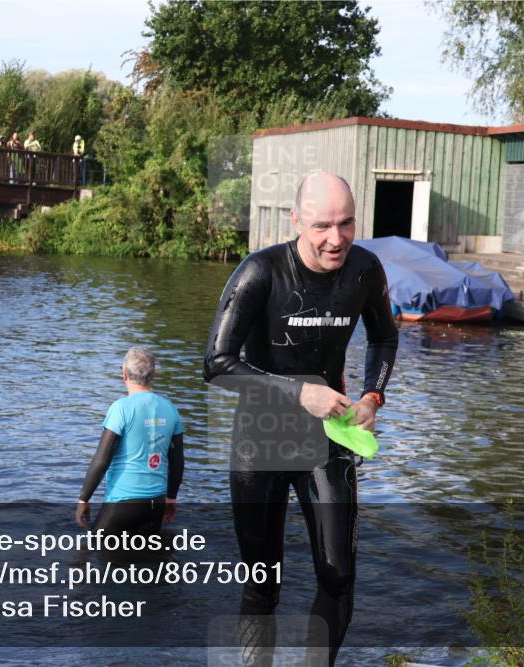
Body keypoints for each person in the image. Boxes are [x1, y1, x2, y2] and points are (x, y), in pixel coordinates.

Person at [203, 171, 398, 666]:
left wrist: (372, 397)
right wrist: (298, 392)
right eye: (321, 226)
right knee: (262, 584)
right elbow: (216, 364)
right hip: (260, 442)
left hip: (330, 437)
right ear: (296, 221)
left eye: (346, 224)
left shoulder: (365, 271)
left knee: (338, 574)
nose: (336, 239)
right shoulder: (260, 272)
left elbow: (384, 338)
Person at [76, 347, 184, 539]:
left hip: (122, 502)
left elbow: (102, 460)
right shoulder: (171, 409)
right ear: (154, 374)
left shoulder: (121, 409)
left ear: (124, 374)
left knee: (88, 552)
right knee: (148, 562)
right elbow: (177, 462)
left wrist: (83, 499)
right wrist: (171, 498)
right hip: (156, 504)